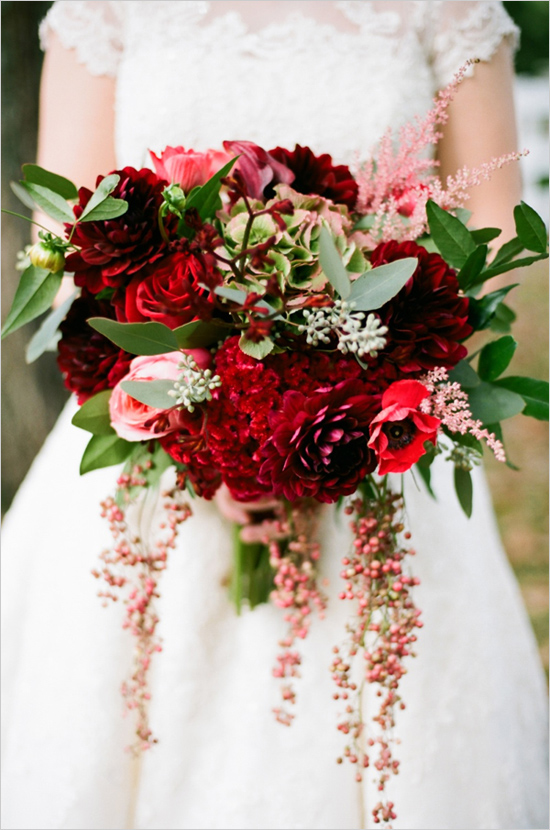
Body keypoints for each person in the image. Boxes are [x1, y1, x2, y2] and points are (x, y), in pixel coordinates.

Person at [1, 3, 548, 829]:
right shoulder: (102, 11)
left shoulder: (451, 10)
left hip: (380, 451)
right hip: (153, 449)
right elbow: (69, 237)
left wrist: (360, 382)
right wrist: (207, 434)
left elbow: (495, 226)